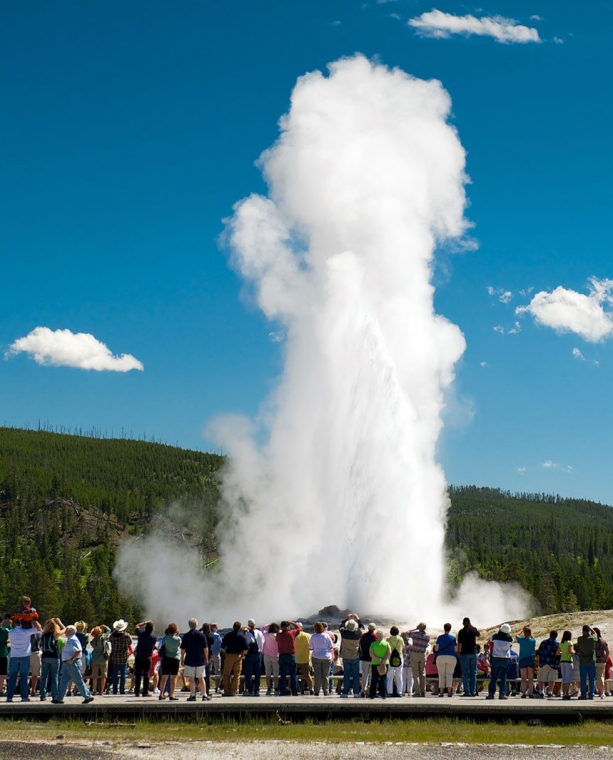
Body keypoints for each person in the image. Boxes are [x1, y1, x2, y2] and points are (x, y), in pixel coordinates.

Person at [55, 625, 94, 704]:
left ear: (70, 631)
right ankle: (59, 698)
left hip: (72, 663)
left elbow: (78, 650)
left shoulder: (73, 639)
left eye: (66, 630)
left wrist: (72, 659)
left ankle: (87, 696)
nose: (65, 632)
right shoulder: (70, 639)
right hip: (68, 663)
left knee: (78, 680)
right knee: (64, 681)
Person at [181, 618, 211, 701]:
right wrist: (206, 658)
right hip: (200, 660)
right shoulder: (202, 635)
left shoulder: (186, 636)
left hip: (189, 659)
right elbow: (205, 648)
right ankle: (204, 694)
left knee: (191, 679)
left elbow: (183, 649)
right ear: (197, 625)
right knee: (201, 678)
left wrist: (182, 659)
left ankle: (193, 694)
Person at [6, 619, 34, 702]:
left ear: (14, 623)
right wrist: (33, 619)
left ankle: (9, 696)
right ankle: (24, 696)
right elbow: (38, 628)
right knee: (24, 678)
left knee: (12, 677)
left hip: (14, 656)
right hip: (24, 656)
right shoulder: (26, 632)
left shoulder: (11, 632)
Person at [40, 618, 66, 701]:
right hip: (54, 656)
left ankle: (42, 695)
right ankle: (54, 695)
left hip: (45, 656)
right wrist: (60, 622)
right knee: (54, 676)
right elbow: (65, 630)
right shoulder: (55, 634)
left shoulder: (43, 634)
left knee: (44, 676)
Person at [486, 623, 513, 700]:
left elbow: (490, 640)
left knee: (494, 676)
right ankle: (502, 694)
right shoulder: (510, 638)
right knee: (503, 677)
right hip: (505, 658)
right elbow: (510, 645)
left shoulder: (495, 636)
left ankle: (491, 694)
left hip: (495, 657)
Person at [276, 621, 301, 697]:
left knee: (283, 675)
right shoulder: (292, 633)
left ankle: (282, 691)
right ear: (287, 627)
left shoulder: (278, 635)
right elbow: (299, 628)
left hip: (282, 656)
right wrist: (292, 622)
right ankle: (294, 692)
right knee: (293, 675)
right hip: (291, 656)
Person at [309, 621, 334, 696]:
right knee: (325, 675)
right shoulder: (326, 636)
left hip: (316, 656)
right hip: (326, 657)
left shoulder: (313, 636)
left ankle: (316, 691)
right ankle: (326, 691)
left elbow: (310, 648)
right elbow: (331, 646)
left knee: (317, 675)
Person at [158, 623, 182, 700]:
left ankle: (161, 694)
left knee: (164, 677)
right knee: (173, 677)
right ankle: (171, 694)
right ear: (175, 630)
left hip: (166, 658)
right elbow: (179, 646)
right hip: (175, 658)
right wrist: (177, 634)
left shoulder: (165, 638)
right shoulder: (178, 639)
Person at [134, 620, 157, 697]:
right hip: (147, 657)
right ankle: (145, 692)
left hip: (139, 656)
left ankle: (137, 692)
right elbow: (153, 646)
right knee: (146, 674)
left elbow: (137, 626)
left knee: (138, 674)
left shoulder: (141, 634)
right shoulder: (153, 638)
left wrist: (145, 622)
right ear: (152, 629)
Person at [457, 617, 480, 697]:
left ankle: (467, 692)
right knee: (473, 673)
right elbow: (478, 634)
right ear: (469, 622)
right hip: (473, 653)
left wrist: (459, 651)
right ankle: (473, 692)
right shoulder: (473, 629)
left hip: (465, 653)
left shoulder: (461, 632)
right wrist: (472, 626)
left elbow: (460, 643)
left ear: (463, 623)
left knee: (465, 673)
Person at [109, 619, 132, 695]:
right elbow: (130, 643)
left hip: (115, 657)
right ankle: (122, 690)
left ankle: (114, 690)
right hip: (123, 657)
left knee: (114, 674)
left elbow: (110, 641)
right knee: (123, 675)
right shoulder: (126, 636)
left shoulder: (112, 636)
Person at [339, 618, 361, 698]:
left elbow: (341, 627)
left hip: (346, 656)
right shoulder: (358, 634)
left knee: (346, 675)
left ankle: (345, 692)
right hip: (355, 656)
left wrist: (345, 619)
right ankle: (356, 692)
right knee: (356, 675)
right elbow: (361, 627)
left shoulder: (343, 633)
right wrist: (358, 619)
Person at [243, 619, 265, 696]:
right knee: (257, 673)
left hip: (250, 654)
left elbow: (245, 644)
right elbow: (263, 642)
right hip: (258, 654)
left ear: (248, 625)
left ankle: (250, 689)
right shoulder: (260, 633)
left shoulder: (247, 634)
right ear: (255, 625)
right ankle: (256, 689)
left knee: (248, 673)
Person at [434, 623, 457, 698]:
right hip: (451, 656)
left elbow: (436, 649)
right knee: (449, 674)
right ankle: (449, 692)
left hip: (441, 656)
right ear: (450, 629)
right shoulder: (453, 638)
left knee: (441, 674)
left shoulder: (440, 637)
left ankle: (441, 692)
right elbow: (455, 649)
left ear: (444, 628)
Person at [408, 622, 430, 698]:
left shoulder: (414, 634)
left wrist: (416, 628)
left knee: (415, 673)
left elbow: (407, 632)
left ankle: (417, 692)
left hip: (414, 653)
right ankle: (423, 691)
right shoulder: (427, 636)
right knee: (423, 673)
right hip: (423, 654)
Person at [576, 625, 597, 700]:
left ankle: (583, 694)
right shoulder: (592, 638)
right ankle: (591, 694)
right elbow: (595, 635)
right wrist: (592, 629)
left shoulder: (580, 639)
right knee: (592, 678)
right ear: (588, 630)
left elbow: (578, 646)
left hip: (582, 661)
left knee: (583, 679)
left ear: (582, 631)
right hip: (591, 660)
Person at [536, 630, 559, 698]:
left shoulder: (543, 642)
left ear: (550, 635)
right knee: (551, 679)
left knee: (541, 678)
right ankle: (550, 692)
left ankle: (541, 692)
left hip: (543, 662)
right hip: (553, 663)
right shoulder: (557, 644)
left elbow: (539, 652)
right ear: (556, 636)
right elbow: (558, 654)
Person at [369, 630, 391, 699]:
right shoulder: (387, 644)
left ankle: (372, 694)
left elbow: (371, 654)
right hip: (384, 663)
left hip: (375, 663)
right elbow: (389, 653)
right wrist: (384, 660)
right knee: (383, 679)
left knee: (374, 679)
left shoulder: (373, 644)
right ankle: (384, 694)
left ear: (376, 636)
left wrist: (378, 659)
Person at [516, 625, 536, 698]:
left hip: (522, 659)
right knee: (531, 678)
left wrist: (522, 629)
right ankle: (531, 693)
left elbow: (516, 635)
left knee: (523, 678)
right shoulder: (533, 640)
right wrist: (531, 634)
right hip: (530, 659)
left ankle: (524, 693)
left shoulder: (521, 640)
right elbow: (533, 639)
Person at [261, 622, 280, 695]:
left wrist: (269, 624)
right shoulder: (278, 636)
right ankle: (276, 688)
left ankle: (268, 689)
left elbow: (262, 628)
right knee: (276, 673)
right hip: (276, 656)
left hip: (267, 655)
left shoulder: (266, 635)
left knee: (267, 673)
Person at [294, 622, 313, 695]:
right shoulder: (308, 636)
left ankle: (292, 688)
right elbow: (311, 647)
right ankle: (311, 688)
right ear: (302, 627)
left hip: (295, 658)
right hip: (305, 658)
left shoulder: (293, 636)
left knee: (293, 675)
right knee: (307, 675)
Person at [359, 623, 377, 697]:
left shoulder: (363, 635)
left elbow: (360, 644)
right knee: (372, 676)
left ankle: (363, 690)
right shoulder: (375, 636)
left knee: (364, 675)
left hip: (364, 658)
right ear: (374, 629)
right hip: (372, 659)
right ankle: (371, 691)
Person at [387, 626, 404, 698]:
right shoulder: (400, 639)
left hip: (390, 658)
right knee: (399, 675)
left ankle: (389, 692)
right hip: (399, 657)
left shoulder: (388, 639)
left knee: (390, 676)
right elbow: (403, 647)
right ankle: (399, 692)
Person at [557, 630, 574, 700]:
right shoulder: (569, 642)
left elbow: (557, 653)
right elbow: (571, 651)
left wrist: (563, 652)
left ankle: (563, 693)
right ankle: (566, 693)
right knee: (568, 679)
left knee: (564, 678)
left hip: (562, 661)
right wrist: (575, 651)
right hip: (568, 661)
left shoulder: (561, 643)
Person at [593, 627, 609, 699]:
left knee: (597, 677)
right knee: (601, 676)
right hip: (602, 660)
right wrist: (606, 658)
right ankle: (602, 692)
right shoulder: (603, 641)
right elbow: (607, 651)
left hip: (594, 660)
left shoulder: (593, 641)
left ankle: (601, 692)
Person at [209, 623, 222, 693]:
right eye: (216, 627)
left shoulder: (208, 634)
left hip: (209, 654)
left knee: (207, 671)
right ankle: (217, 687)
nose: (217, 628)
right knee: (217, 671)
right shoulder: (217, 636)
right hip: (216, 654)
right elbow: (220, 645)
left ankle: (206, 686)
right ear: (213, 628)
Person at [0, 617, 10, 696]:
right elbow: (10, 640)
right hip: (3, 653)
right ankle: (0, 690)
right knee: (2, 674)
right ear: (1, 622)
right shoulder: (5, 631)